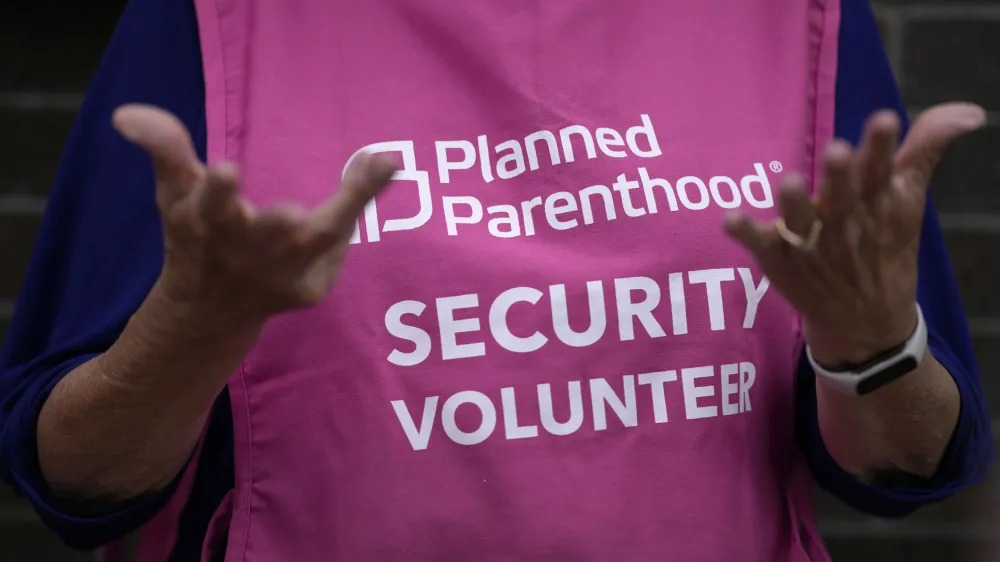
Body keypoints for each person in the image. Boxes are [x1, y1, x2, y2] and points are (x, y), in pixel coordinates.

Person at [0, 0, 993, 560]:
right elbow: (75, 481)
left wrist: (869, 347)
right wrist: (190, 334)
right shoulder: (207, 20)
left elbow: (901, 470)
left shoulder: (798, 19)